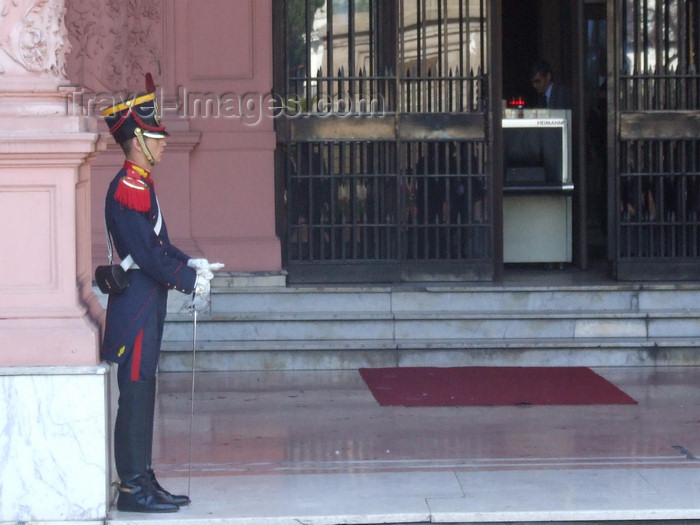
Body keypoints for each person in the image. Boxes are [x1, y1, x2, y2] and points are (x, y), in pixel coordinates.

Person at [100, 74, 223, 513]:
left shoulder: (142, 184)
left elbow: (160, 247)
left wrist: (190, 263)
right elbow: (147, 257)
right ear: (137, 141)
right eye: (156, 136)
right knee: (134, 396)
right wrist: (188, 281)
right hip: (135, 308)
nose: (164, 142)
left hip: (146, 304)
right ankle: (132, 488)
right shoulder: (128, 187)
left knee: (144, 392)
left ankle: (144, 479)